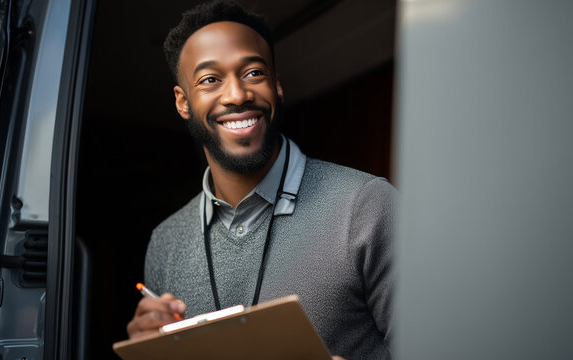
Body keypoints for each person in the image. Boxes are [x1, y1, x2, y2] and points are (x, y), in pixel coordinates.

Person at [126, 1, 396, 358]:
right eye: (210, 80)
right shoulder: (165, 243)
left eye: (253, 73)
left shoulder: (367, 205)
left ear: (277, 85)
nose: (237, 95)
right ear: (183, 102)